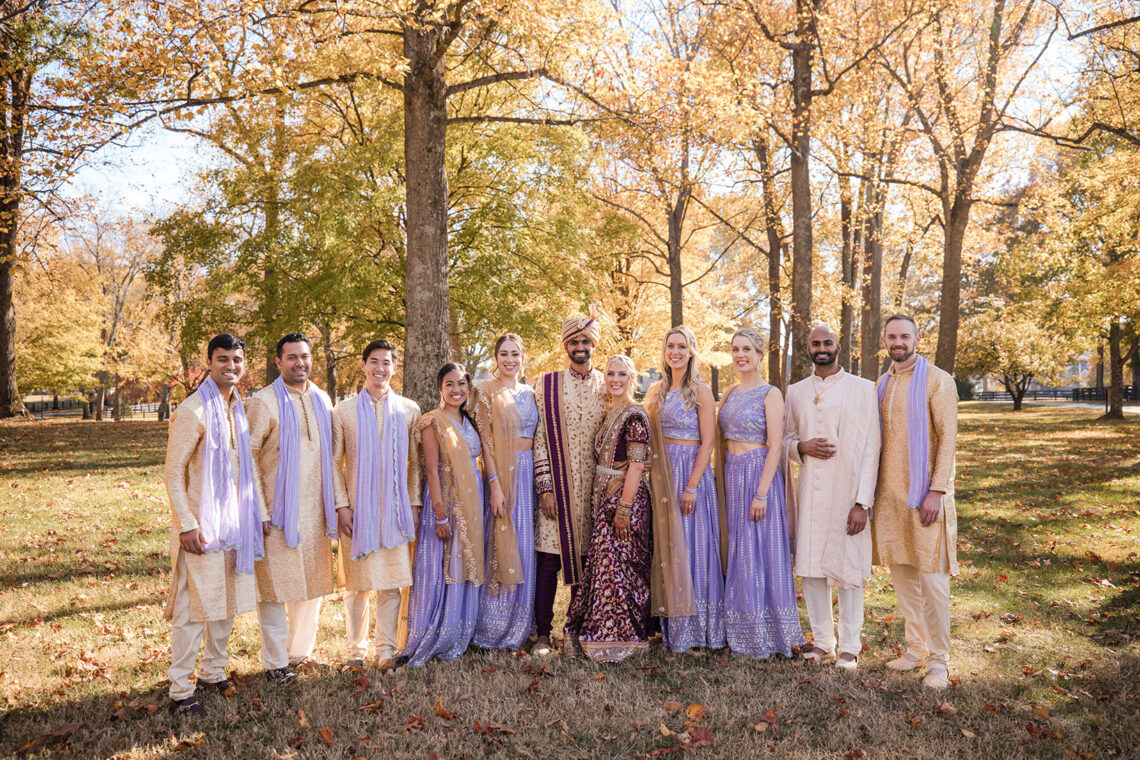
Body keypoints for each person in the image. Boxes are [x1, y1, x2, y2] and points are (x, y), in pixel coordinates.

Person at [163, 333, 266, 716]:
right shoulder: (194, 411)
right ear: (209, 363)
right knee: (194, 609)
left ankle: (213, 672)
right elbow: (173, 473)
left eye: (237, 360)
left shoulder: (237, 407)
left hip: (234, 523)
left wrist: (258, 515)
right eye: (223, 359)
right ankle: (179, 691)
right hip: (200, 528)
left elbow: (245, 466)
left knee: (225, 605)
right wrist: (187, 525)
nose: (231, 366)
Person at [783, 325, 880, 670]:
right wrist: (800, 448)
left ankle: (851, 646)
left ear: (839, 347)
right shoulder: (794, 392)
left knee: (848, 570)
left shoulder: (863, 389)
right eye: (815, 343)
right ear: (807, 349)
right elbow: (784, 441)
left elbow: (872, 448)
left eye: (827, 343)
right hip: (810, 491)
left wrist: (862, 504)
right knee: (811, 571)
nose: (821, 348)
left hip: (848, 494)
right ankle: (823, 641)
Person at [870, 315, 959, 689]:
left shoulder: (938, 380)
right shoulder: (881, 383)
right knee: (903, 575)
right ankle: (915, 648)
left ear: (917, 339)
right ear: (885, 341)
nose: (898, 342)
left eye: (904, 336)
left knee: (933, 579)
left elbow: (949, 437)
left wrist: (937, 490)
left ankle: (939, 661)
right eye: (892, 336)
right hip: (888, 496)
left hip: (925, 496)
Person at [246, 333, 337, 683]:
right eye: (292, 357)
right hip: (277, 512)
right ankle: (274, 663)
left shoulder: (322, 398)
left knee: (310, 586)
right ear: (278, 361)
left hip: (316, 511)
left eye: (305, 356)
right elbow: (249, 456)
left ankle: (300, 654)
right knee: (274, 588)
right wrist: (261, 509)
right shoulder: (263, 402)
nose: (300, 362)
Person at [331, 339, 421, 673]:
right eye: (374, 361)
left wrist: (413, 503)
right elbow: (334, 462)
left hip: (395, 511)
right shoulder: (343, 411)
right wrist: (341, 506)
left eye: (386, 362)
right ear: (363, 365)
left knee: (390, 583)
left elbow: (416, 465)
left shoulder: (409, 410)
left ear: (395, 368)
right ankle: (355, 652)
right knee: (357, 586)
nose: (380, 368)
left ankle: (386, 650)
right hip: (358, 512)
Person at [716, 327, 805, 658]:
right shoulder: (729, 393)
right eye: (736, 349)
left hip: (757, 476)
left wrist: (762, 493)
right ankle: (738, 627)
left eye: (747, 350)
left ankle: (768, 633)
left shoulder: (770, 394)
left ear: (759, 355)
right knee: (737, 550)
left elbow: (775, 447)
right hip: (731, 475)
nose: (740, 355)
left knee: (759, 551)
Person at [564, 355, 654, 662]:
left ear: (632, 378)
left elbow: (638, 465)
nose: (615, 379)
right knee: (605, 568)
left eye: (622, 374)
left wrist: (624, 510)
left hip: (625, 502)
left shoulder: (634, 416)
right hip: (605, 501)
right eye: (611, 373)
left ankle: (622, 638)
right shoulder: (609, 412)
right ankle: (599, 634)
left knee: (623, 569)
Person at [532, 312, 608, 655]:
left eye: (585, 341)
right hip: (557, 488)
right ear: (566, 346)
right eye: (574, 342)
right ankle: (543, 634)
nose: (580, 347)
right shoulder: (546, 385)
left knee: (584, 559)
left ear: (594, 344)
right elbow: (539, 440)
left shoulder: (608, 385)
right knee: (549, 561)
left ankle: (574, 632)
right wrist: (545, 488)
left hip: (593, 490)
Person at [401, 363, 485, 666]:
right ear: (440, 388)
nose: (456, 390)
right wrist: (439, 515)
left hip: (472, 505)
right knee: (438, 568)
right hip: (445, 504)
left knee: (465, 564)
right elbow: (432, 472)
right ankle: (432, 633)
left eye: (461, 384)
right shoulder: (431, 422)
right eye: (449, 384)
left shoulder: (469, 421)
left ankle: (459, 631)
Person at [645, 326, 723, 653]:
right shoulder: (656, 390)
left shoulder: (701, 391)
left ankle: (697, 632)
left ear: (691, 351)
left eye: (681, 346)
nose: (674, 352)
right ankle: (671, 629)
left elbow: (709, 443)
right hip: (662, 475)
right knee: (667, 550)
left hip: (691, 475)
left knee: (692, 548)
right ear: (664, 352)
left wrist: (691, 485)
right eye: (669, 346)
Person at [472, 335, 536, 651]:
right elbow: (485, 440)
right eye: (503, 354)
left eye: (515, 354)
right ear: (496, 357)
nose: (509, 359)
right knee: (500, 540)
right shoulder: (485, 390)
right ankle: (491, 628)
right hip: (502, 474)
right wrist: (494, 484)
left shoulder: (532, 393)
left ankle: (521, 627)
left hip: (529, 473)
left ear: (523, 356)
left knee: (525, 545)